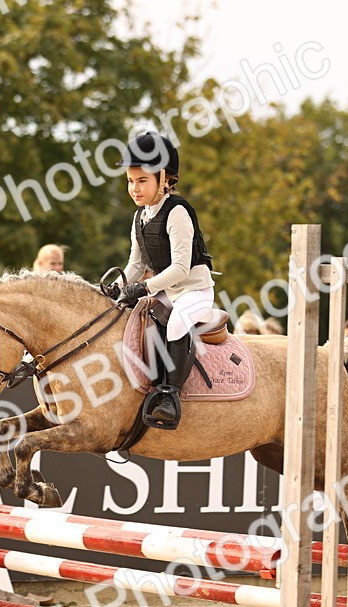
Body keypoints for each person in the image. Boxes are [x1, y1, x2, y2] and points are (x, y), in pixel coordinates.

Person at [118, 131, 216, 429]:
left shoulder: (178, 211)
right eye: (131, 181)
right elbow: (136, 264)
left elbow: (180, 269)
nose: (135, 188)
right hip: (167, 293)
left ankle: (168, 395)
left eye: (142, 181)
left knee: (176, 323)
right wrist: (119, 287)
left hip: (194, 291)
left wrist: (144, 287)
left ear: (164, 179)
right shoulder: (140, 216)